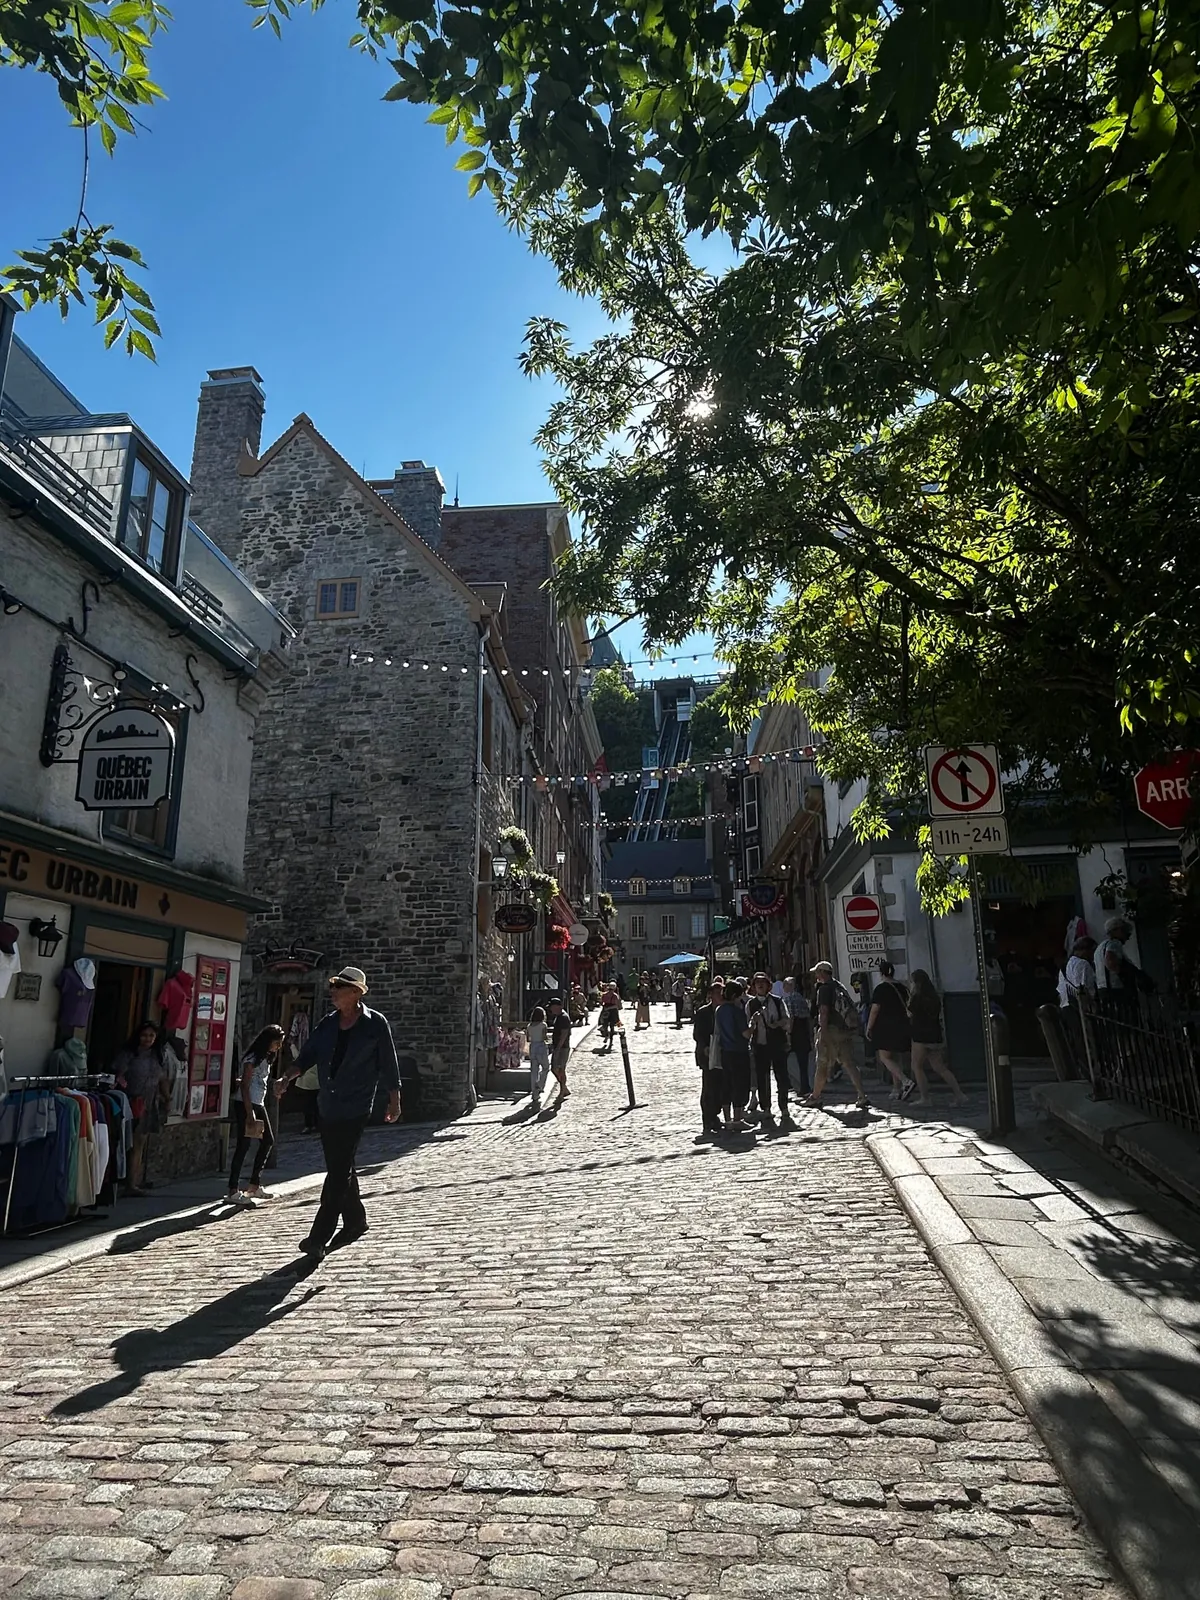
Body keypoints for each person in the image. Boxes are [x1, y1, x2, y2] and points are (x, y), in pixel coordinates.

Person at [280, 966, 400, 1262]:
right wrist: (287, 1077)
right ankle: (356, 1220)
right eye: (333, 986)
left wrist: (394, 1100)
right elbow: (307, 1054)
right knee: (341, 1165)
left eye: (340, 987)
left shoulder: (375, 1024)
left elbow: (388, 1063)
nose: (333, 992)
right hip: (328, 1105)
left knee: (337, 1171)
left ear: (357, 993)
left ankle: (319, 1237)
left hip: (357, 1105)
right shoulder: (328, 1024)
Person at [111, 1022, 177, 1196]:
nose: (147, 1039)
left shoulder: (158, 1056)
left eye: (151, 1036)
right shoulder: (129, 1054)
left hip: (148, 1103)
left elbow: (163, 1079)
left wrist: (167, 1098)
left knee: (139, 1143)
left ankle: (133, 1183)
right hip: (128, 1101)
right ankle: (116, 1182)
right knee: (123, 1142)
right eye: (144, 1035)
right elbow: (117, 1075)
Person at [227, 1024, 286, 1202]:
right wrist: (249, 1112)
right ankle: (232, 1189)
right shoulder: (253, 1058)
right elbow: (244, 1085)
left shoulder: (266, 1059)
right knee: (243, 1145)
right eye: (277, 1043)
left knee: (268, 1140)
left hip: (258, 1101)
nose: (278, 1047)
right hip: (246, 1102)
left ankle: (254, 1184)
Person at [806, 961, 869, 1110]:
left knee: (822, 1064)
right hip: (844, 1031)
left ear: (822, 973)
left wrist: (823, 1033)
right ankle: (862, 1095)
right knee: (849, 1063)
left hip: (831, 1030)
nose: (815, 975)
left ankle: (815, 1097)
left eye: (817, 972)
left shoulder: (824, 989)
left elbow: (823, 1012)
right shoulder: (839, 986)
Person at [906, 970, 967, 1106]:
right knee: (940, 1067)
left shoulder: (917, 997)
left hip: (920, 1036)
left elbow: (910, 1012)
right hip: (935, 1035)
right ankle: (959, 1094)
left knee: (916, 1066)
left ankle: (925, 1098)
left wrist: (911, 994)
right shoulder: (934, 997)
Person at [747, 973, 793, 1131]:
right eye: (757, 983)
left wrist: (777, 1024)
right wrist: (753, 1023)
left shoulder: (777, 1001)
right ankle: (766, 1108)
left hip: (777, 1044)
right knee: (762, 1079)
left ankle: (784, 1107)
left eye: (762, 983)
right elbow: (746, 1028)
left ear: (768, 985)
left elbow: (787, 1020)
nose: (760, 986)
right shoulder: (751, 1004)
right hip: (760, 1045)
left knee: (782, 1077)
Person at [866, 961, 915, 1102]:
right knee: (895, 1057)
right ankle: (896, 1089)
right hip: (902, 1026)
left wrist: (869, 1027)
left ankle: (906, 1082)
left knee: (885, 1057)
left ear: (881, 973)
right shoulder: (903, 988)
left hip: (886, 1028)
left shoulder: (881, 989)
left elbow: (875, 1010)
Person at [716, 978, 753, 1131]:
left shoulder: (719, 1010)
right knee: (739, 1085)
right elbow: (745, 1034)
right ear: (735, 996)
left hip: (725, 1051)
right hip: (739, 1051)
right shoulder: (737, 1012)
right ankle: (737, 1119)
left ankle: (727, 1118)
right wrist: (754, 1024)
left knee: (726, 1084)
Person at [692, 978, 727, 1135]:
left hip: (723, 1053)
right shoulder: (703, 1012)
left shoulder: (727, 1010)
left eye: (722, 992)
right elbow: (698, 1034)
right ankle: (708, 1119)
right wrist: (705, 1047)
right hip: (707, 1054)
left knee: (721, 1086)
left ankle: (715, 1116)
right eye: (717, 993)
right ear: (711, 995)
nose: (720, 995)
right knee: (709, 1088)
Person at [782, 977, 812, 1098]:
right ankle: (805, 1087)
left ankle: (788, 1084)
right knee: (802, 1062)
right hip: (804, 1030)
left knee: (782, 1059)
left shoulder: (789, 998)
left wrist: (788, 1034)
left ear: (788, 986)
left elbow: (791, 1018)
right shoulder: (801, 998)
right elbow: (808, 1017)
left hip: (795, 1032)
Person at [1058, 937, 1097, 1007]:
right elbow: (1082, 990)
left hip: (1066, 1006)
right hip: (1080, 1007)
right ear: (1084, 950)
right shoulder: (1082, 963)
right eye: (1093, 950)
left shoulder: (1066, 964)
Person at [547, 996, 572, 1102]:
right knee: (554, 1069)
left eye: (552, 1007)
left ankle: (562, 1091)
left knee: (561, 1069)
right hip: (558, 1046)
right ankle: (564, 1088)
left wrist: (558, 1047)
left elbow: (564, 1034)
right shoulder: (558, 1016)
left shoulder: (564, 1017)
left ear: (557, 1006)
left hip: (562, 1048)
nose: (551, 1009)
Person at [527, 1006, 550, 1111]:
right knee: (545, 1067)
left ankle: (534, 1093)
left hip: (532, 1047)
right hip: (541, 1046)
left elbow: (528, 1038)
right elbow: (544, 1037)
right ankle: (540, 1085)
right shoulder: (543, 1025)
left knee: (534, 1070)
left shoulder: (529, 1026)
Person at [599, 984, 622, 1050]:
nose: (610, 991)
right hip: (607, 1011)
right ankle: (606, 1036)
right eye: (609, 989)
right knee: (604, 1025)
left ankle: (611, 1041)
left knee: (612, 1026)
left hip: (612, 1011)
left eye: (611, 990)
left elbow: (617, 1006)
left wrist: (607, 1007)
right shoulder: (604, 995)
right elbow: (601, 1002)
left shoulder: (615, 996)